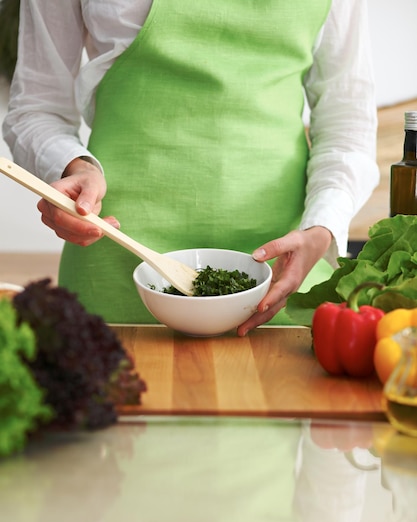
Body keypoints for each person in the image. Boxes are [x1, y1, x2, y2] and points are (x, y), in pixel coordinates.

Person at [2, 0, 379, 334]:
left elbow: (347, 120)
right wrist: (73, 167)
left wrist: (323, 227)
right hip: (115, 261)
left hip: (283, 274)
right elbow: (36, 109)